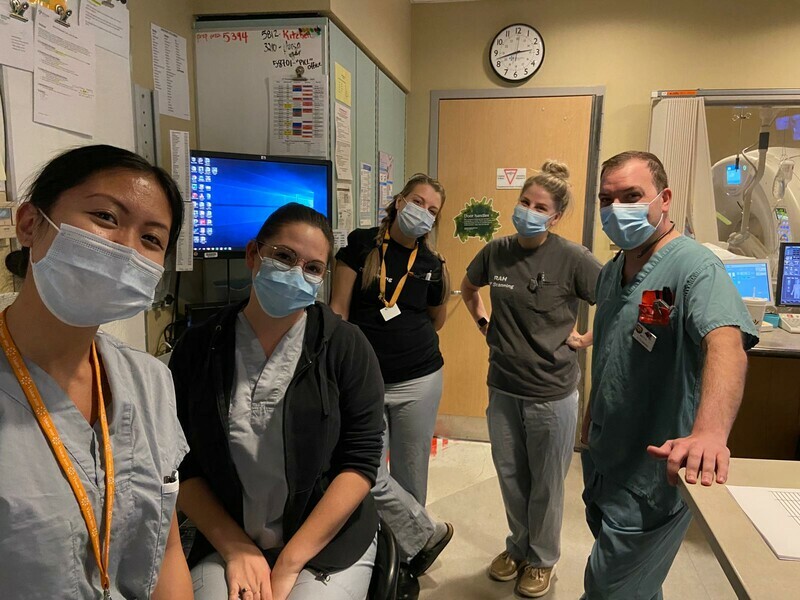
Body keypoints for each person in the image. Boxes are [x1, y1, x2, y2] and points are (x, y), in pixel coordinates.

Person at [0, 145, 192, 599]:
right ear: (30, 224)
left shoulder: (149, 381)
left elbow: (165, 550)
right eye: (106, 217)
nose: (126, 248)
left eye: (151, 239)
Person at [170, 203, 385, 600]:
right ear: (254, 255)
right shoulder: (199, 348)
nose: (295, 273)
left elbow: (361, 461)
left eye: (313, 268)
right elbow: (181, 464)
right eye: (284, 257)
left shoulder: (346, 346)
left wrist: (289, 562)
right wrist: (235, 547)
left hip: (325, 542)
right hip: (229, 536)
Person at [582, 151, 759, 600]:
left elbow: (727, 344)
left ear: (663, 199)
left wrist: (709, 434)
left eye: (631, 196)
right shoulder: (612, 271)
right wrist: (590, 418)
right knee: (636, 585)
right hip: (606, 458)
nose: (616, 209)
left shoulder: (695, 268)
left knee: (607, 590)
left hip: (650, 477)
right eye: (607, 199)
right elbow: (612, 351)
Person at [461, 161, 601, 598]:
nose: (529, 211)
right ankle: (518, 547)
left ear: (555, 216)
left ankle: (542, 559)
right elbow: (468, 288)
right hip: (503, 385)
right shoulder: (496, 251)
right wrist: (484, 324)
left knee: (545, 482)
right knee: (510, 476)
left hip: (552, 392)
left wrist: (586, 339)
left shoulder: (572, 257)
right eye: (524, 202)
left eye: (540, 206)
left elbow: (617, 302)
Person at [329, 173, 453, 598]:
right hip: (365, 380)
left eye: (433, 210)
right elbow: (338, 311)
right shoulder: (361, 245)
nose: (423, 212)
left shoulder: (433, 265)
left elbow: (435, 320)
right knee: (365, 470)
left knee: (411, 471)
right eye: (418, 201)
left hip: (420, 378)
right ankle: (415, 538)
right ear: (399, 200)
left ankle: (405, 557)